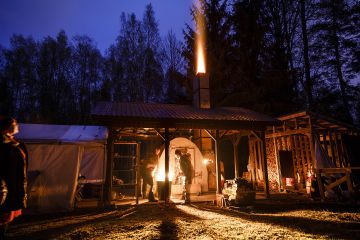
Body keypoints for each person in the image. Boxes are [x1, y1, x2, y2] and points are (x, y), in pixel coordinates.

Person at [0, 116, 28, 240]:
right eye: (14, 123)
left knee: (5, 222)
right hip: (4, 189)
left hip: (14, 187)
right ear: (6, 127)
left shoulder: (15, 143)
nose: (17, 126)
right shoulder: (3, 145)